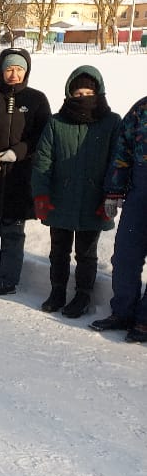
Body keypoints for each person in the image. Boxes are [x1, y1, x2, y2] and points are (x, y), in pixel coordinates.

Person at [30, 66, 121, 318]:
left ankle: (83, 295)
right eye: (78, 92)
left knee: (86, 253)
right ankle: (57, 290)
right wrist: (41, 194)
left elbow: (118, 163)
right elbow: (43, 160)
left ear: (98, 92)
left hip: (95, 201)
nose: (83, 97)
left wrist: (110, 198)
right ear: (69, 94)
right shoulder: (57, 122)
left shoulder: (112, 122)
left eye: (88, 91)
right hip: (60, 199)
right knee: (59, 249)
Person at [0, 47, 51, 296]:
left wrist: (18, 152)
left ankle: (7, 279)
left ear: (26, 71)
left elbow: (41, 135)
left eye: (19, 69)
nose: (13, 74)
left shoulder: (37, 100)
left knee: (13, 233)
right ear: (1, 71)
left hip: (19, 177)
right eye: (9, 69)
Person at [90, 95, 147, 341]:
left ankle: (145, 320)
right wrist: (114, 190)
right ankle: (122, 312)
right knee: (125, 256)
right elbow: (122, 151)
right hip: (139, 194)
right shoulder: (141, 109)